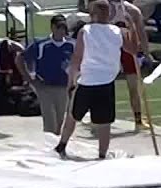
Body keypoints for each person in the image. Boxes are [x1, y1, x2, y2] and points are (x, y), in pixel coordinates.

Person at [54, 0, 140, 160]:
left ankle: (62, 145)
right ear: (109, 15)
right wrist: (132, 28)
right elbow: (134, 49)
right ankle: (101, 154)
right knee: (104, 123)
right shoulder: (117, 31)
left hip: (88, 80)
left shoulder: (85, 31)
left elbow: (76, 58)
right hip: (106, 82)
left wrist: (71, 81)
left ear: (92, 15)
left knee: (73, 115)